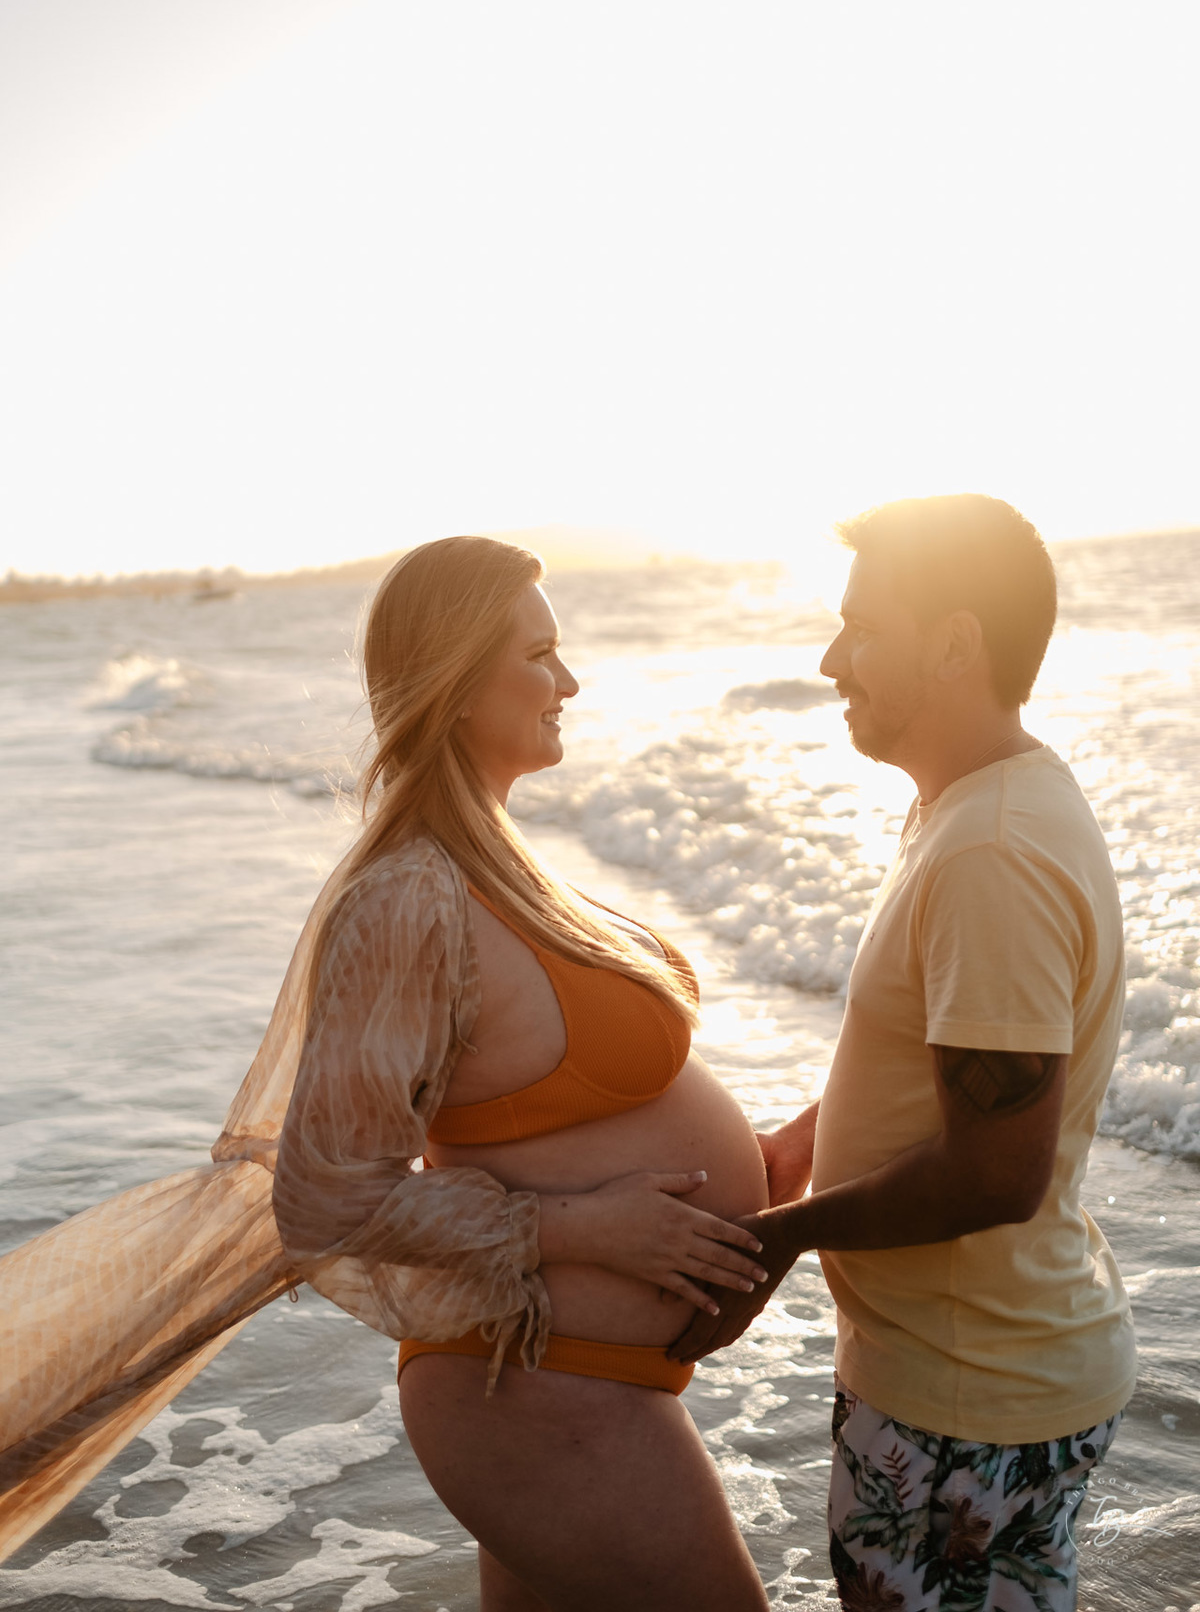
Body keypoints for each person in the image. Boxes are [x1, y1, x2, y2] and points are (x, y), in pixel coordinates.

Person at [271, 534, 786, 1612]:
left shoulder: (498, 863)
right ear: (458, 684)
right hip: (531, 1394)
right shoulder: (407, 894)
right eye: (540, 655)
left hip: (563, 1384)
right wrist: (580, 1231)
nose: (570, 681)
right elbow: (323, 1196)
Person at [671, 494, 1136, 1612]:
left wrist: (778, 1242)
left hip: (971, 1392)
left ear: (954, 645)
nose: (831, 660)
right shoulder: (969, 807)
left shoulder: (995, 852)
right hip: (975, 1369)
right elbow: (944, 1081)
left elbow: (997, 1172)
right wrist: (797, 1149)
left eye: (861, 629)